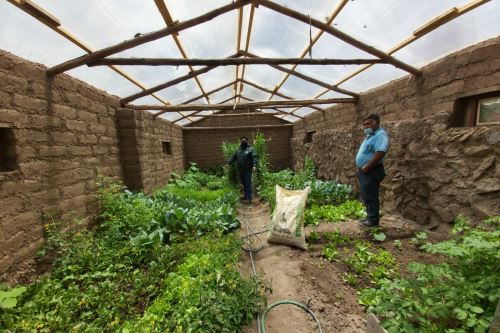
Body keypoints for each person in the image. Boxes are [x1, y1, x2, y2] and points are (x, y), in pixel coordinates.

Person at [355, 114, 389, 227]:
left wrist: (366, 167)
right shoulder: (369, 136)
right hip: (365, 171)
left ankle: (373, 220)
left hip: (372, 170)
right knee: (366, 194)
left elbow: (380, 152)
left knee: (371, 195)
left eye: (368, 124)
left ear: (377, 123)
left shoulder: (380, 135)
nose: (365, 127)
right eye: (364, 125)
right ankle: (370, 217)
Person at [227, 136, 258, 204]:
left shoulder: (250, 149)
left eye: (244, 140)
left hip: (248, 170)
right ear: (240, 142)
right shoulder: (238, 150)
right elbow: (234, 157)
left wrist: (254, 165)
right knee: (244, 183)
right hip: (240, 170)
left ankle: (249, 199)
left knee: (248, 183)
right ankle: (246, 196)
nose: (243, 142)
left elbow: (254, 157)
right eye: (242, 140)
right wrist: (228, 163)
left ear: (247, 141)